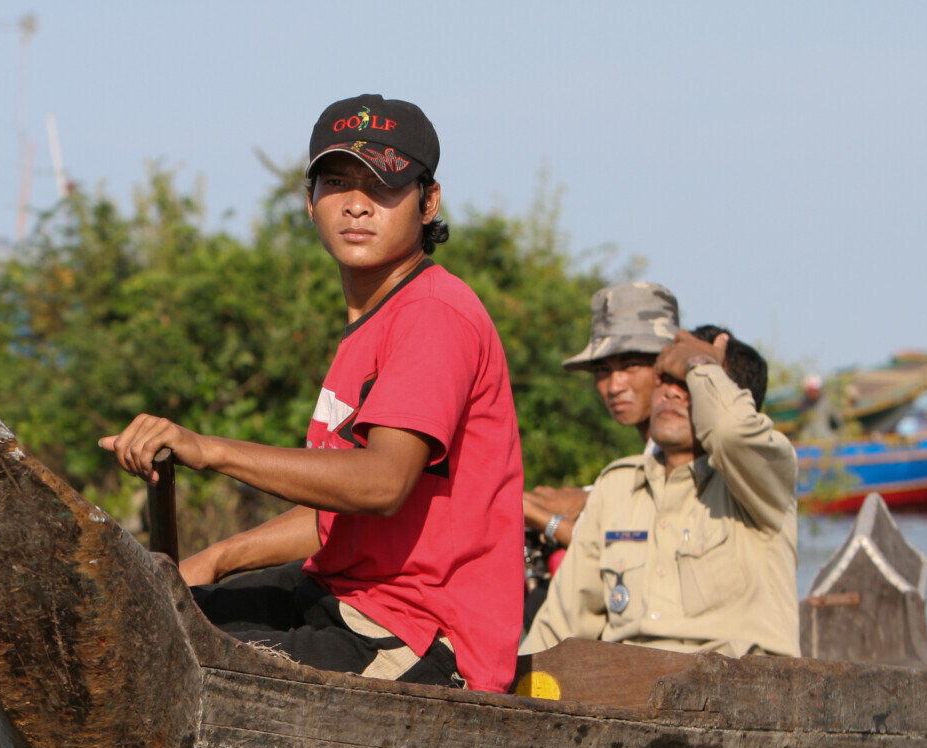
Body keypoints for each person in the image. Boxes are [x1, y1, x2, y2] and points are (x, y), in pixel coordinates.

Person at [100, 94, 524, 693]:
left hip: (417, 635)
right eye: (337, 182)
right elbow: (339, 514)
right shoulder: (374, 321)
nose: (356, 204)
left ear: (428, 202)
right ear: (309, 200)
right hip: (339, 596)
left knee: (165, 660)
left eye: (382, 184)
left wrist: (208, 449)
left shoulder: (432, 313)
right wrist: (216, 559)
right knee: (132, 616)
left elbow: (381, 484)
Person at [520, 324, 799, 659]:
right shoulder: (618, 486)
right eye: (666, 379)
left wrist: (701, 362)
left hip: (740, 699)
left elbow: (731, 432)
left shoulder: (758, 481)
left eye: (691, 382)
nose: (673, 393)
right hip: (628, 696)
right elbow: (560, 624)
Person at [521, 282, 680, 624]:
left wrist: (538, 517)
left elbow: (634, 547)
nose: (614, 385)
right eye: (602, 371)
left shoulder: (688, 452)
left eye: (631, 365)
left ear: (668, 368)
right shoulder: (644, 458)